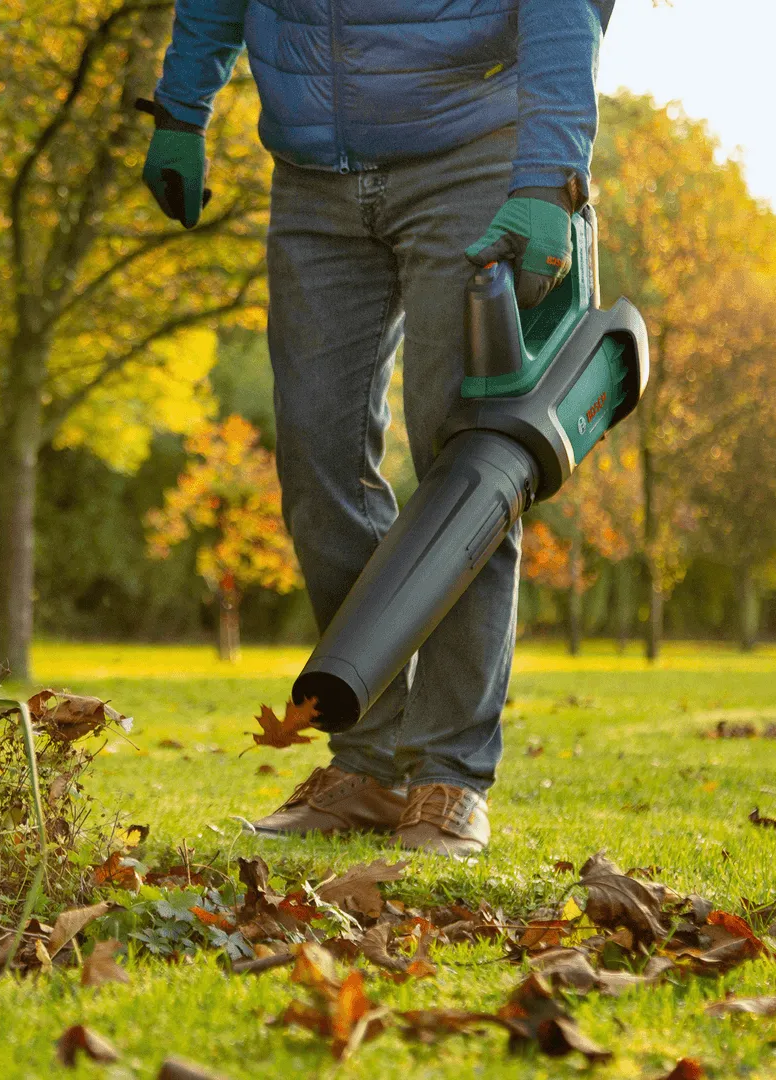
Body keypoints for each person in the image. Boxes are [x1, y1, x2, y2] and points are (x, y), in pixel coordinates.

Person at [138, 0, 616, 855]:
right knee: (317, 467)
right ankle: (368, 763)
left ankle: (447, 776)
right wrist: (181, 108)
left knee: (469, 467)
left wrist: (548, 178)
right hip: (312, 173)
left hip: (472, 155)